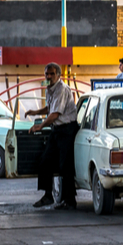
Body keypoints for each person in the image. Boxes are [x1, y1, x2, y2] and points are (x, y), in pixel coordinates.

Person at [26, 63, 79, 210]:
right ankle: (48, 195)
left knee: (65, 165)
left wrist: (40, 125)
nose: (48, 77)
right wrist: (35, 112)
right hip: (57, 129)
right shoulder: (50, 89)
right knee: (45, 161)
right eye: (47, 74)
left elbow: (55, 114)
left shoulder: (62, 89)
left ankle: (70, 200)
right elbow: (50, 108)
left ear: (58, 75)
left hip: (67, 130)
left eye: (51, 74)